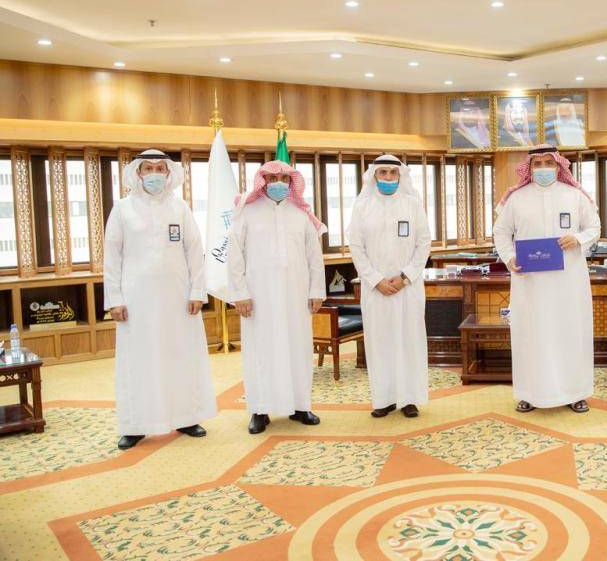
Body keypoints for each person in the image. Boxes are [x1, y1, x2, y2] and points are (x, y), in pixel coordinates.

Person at [103, 149, 217, 450]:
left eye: (159, 168)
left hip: (178, 299)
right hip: (136, 302)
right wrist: (115, 299)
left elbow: (195, 251)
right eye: (148, 168)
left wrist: (197, 291)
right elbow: (112, 257)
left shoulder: (180, 208)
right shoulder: (122, 209)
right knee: (139, 361)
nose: (154, 174)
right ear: (138, 173)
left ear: (169, 173)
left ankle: (186, 417)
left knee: (180, 356)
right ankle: (136, 425)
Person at [493, 145, 601, 413]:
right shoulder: (516, 198)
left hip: (569, 282)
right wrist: (509, 258)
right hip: (530, 284)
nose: (543, 168)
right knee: (531, 335)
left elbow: (594, 228)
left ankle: (576, 393)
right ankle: (530, 393)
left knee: (570, 333)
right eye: (537, 163)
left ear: (558, 165)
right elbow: (501, 233)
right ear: (529, 168)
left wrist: (577, 238)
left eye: (548, 163)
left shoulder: (575, 195)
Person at [227, 160, 326, 434]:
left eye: (284, 178)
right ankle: (260, 410)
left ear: (291, 181)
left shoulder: (301, 213)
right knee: (261, 350)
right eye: (272, 178)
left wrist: (317, 290)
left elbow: (314, 256)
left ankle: (301, 406)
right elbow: (235, 255)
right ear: (263, 181)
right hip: (258, 296)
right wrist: (240, 293)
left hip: (297, 294)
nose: (279, 183)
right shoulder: (246, 211)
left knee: (298, 348)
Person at [348, 154, 432, 418]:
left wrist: (406, 276)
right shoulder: (362, 206)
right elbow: (356, 247)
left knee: (409, 342)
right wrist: (376, 280)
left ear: (400, 176)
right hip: (376, 290)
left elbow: (424, 244)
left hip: (408, 287)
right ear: (374, 175)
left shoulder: (412, 204)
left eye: (392, 173)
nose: (387, 178)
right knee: (380, 342)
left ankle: (409, 398)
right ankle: (383, 399)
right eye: (382, 173)